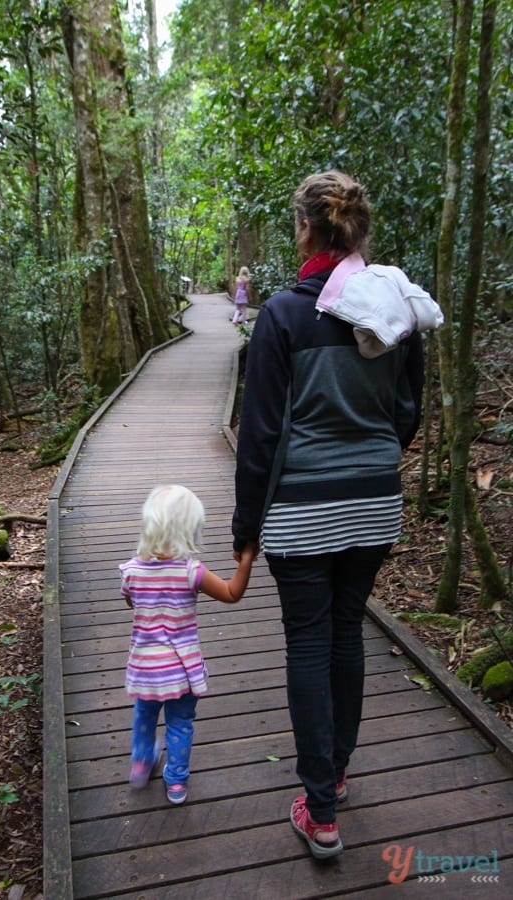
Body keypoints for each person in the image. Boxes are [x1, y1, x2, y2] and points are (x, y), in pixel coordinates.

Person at [231, 170, 442, 858]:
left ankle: (320, 810)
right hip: (375, 504)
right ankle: (337, 780)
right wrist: (373, 458)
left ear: (304, 229)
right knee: (345, 636)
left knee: (309, 644)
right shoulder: (395, 309)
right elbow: (407, 410)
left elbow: (259, 434)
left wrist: (244, 531)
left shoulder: (284, 317)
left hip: (300, 514)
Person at [121, 483, 257, 805]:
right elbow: (231, 593)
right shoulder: (190, 572)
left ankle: (141, 764)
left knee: (144, 715)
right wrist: (247, 559)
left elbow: (132, 603)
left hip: (145, 668)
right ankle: (177, 782)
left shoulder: (131, 572)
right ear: (190, 529)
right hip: (181, 670)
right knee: (180, 723)